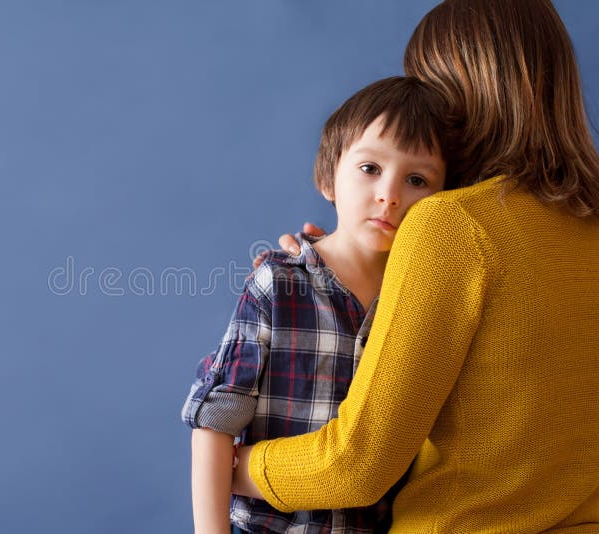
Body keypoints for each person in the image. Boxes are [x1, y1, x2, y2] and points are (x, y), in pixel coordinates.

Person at [231, 1, 599, 532]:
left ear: (459, 93)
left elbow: (358, 466)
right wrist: (343, 266)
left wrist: (232, 463)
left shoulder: (451, 229)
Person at [182, 76, 448, 534]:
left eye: (417, 179)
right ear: (328, 177)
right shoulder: (279, 283)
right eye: (370, 169)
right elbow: (216, 417)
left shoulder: (422, 299)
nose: (390, 195)